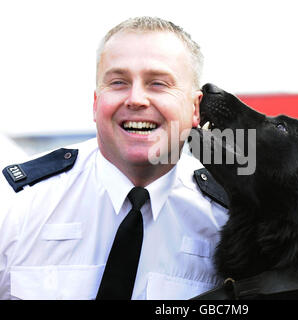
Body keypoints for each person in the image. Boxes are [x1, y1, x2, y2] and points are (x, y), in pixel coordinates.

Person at [0, 16, 228, 300]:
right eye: (118, 82)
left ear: (195, 109)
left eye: (157, 83)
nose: (136, 99)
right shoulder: (15, 205)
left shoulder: (226, 222)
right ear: (96, 104)